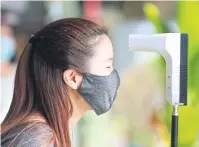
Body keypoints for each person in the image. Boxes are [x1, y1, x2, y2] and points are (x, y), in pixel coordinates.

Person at [1, 18, 120, 147]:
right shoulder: (36, 140)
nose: (113, 75)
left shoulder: (43, 134)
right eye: (108, 67)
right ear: (72, 78)